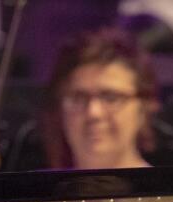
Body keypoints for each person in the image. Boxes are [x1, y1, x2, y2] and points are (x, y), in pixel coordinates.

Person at [40, 26, 160, 171]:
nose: (93, 112)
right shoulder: (34, 191)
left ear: (144, 107)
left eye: (111, 97)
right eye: (78, 97)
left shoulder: (170, 192)